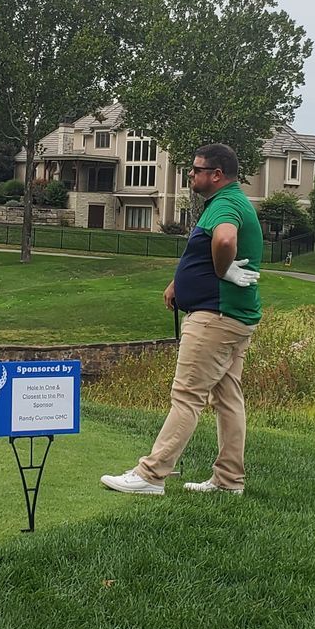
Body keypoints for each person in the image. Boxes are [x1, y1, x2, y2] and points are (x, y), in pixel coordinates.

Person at [102, 143, 263, 496]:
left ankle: (151, 474)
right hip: (233, 316)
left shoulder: (226, 203)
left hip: (215, 319)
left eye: (196, 169)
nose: (190, 174)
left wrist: (223, 270)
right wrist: (181, 281)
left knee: (187, 395)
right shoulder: (230, 200)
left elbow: (223, 240)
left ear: (217, 175)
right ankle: (228, 480)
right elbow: (206, 249)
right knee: (227, 397)